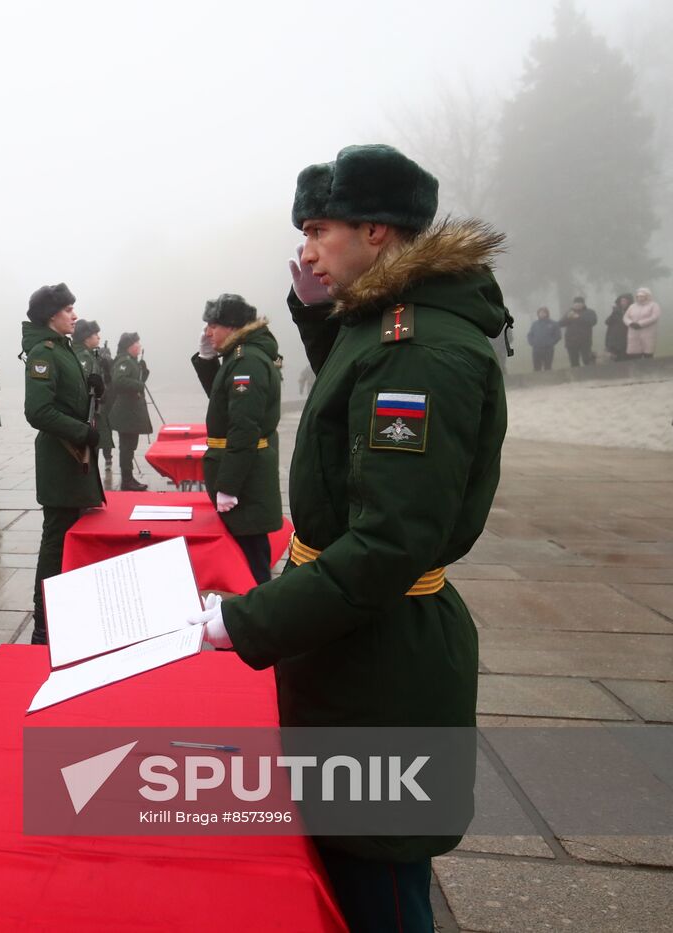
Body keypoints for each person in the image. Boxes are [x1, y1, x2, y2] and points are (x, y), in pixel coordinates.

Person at [190, 144, 508, 931]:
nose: (305, 250)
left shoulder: (420, 349)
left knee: (381, 886)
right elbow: (353, 382)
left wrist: (249, 619)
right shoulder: (388, 326)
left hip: (381, 660)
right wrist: (312, 308)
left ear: (376, 232)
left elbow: (392, 539)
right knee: (348, 866)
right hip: (356, 645)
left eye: (319, 229)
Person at [23, 282, 104, 645]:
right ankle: (43, 623)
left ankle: (66, 609)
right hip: (61, 460)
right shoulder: (45, 351)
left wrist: (93, 388)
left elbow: (69, 398)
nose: (75, 315)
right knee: (56, 542)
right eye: (68, 309)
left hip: (75, 461)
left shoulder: (64, 349)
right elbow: (38, 410)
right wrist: (81, 432)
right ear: (50, 315)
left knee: (71, 539)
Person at [193, 295, 283, 585]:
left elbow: (243, 427)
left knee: (251, 557)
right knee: (248, 551)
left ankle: (261, 620)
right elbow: (222, 399)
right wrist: (207, 361)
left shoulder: (247, 361)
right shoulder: (239, 356)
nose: (207, 332)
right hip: (245, 471)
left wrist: (229, 485)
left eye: (213, 325)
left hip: (245, 478)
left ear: (232, 327)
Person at [107, 332, 151, 491]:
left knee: (130, 446)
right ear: (129, 346)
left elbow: (133, 380)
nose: (139, 346)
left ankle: (128, 478)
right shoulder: (124, 361)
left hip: (131, 412)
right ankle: (127, 480)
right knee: (127, 447)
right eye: (137, 343)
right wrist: (139, 385)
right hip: (126, 412)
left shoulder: (132, 361)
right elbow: (118, 381)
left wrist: (143, 373)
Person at [72, 319, 115, 471]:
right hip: (88, 413)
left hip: (94, 410)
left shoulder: (89, 354)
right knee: (89, 456)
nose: (98, 337)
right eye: (95, 334)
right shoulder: (83, 356)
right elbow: (81, 384)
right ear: (86, 337)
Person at [560, 296, 597, 367]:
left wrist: (579, 317)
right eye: (576, 303)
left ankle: (589, 376)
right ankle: (577, 377)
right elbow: (560, 324)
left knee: (587, 360)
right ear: (573, 304)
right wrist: (567, 317)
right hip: (571, 342)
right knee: (574, 362)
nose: (577, 305)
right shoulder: (569, 312)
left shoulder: (590, 312)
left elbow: (593, 322)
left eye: (579, 303)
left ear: (583, 304)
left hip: (585, 341)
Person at [624, 287, 660, 358]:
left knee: (647, 352)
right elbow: (625, 317)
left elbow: (654, 317)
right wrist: (630, 323)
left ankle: (648, 367)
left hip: (648, 333)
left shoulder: (654, 305)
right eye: (638, 296)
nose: (639, 298)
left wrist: (641, 324)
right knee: (634, 354)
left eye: (642, 296)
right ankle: (635, 368)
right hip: (634, 333)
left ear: (647, 296)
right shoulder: (632, 306)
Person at [526, 306, 561, 371]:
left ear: (547, 313)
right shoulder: (535, 324)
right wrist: (532, 343)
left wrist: (550, 343)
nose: (542, 314)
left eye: (544, 312)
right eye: (540, 313)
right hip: (536, 349)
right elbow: (530, 335)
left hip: (548, 349)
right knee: (536, 367)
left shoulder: (553, 323)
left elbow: (558, 336)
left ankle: (548, 380)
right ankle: (537, 380)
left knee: (548, 367)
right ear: (538, 314)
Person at [605, 293, 632, 362]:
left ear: (629, 302)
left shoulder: (632, 311)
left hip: (627, 342)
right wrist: (614, 312)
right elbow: (607, 322)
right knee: (616, 363)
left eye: (625, 301)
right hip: (615, 343)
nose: (623, 303)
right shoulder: (616, 312)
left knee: (627, 362)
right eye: (621, 301)